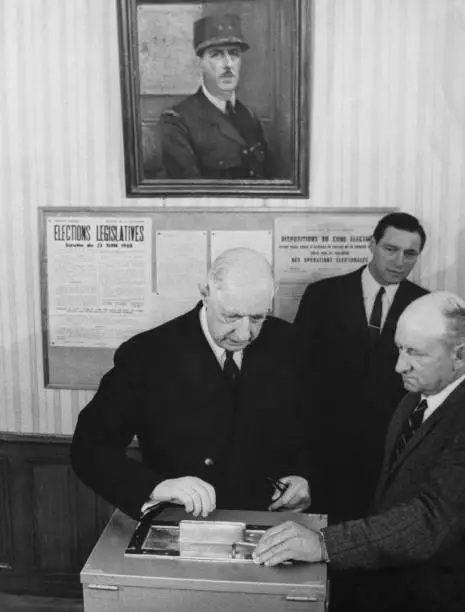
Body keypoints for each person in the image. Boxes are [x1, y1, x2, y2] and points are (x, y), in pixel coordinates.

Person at [255, 291, 465, 612]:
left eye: (414, 353)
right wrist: (312, 492)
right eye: (399, 348)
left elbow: (431, 519)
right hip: (389, 585)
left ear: (460, 355)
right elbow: (385, 485)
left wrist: (325, 543)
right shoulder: (417, 395)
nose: (399, 366)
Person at [71, 248, 310, 520]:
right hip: (180, 520)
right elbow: (89, 449)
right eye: (231, 317)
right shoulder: (147, 355)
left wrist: (303, 477)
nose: (245, 334)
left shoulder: (289, 343)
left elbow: (310, 430)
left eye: (257, 318)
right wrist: (157, 487)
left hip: (267, 521)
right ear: (205, 293)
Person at [294, 212, 428, 521]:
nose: (399, 262)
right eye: (390, 249)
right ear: (372, 245)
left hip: (388, 455)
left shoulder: (425, 305)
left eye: (410, 254)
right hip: (324, 451)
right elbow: (297, 374)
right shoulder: (322, 295)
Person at [160, 13, 272, 179]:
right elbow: (189, 194)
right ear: (199, 63)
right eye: (216, 54)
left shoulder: (248, 116)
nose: (228, 64)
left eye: (234, 54)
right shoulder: (178, 121)